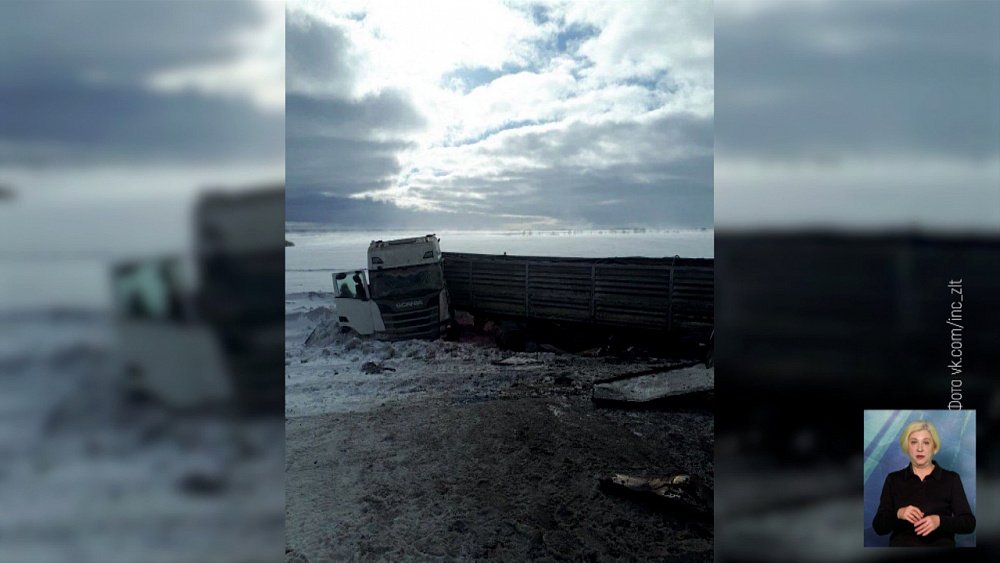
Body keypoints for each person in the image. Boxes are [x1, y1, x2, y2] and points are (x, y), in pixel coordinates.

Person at [872, 420, 976, 546]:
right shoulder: (893, 479)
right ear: (907, 446)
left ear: (934, 447)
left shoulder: (951, 479)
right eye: (914, 442)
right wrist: (899, 513)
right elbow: (879, 527)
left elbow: (969, 523)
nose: (920, 448)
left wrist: (940, 521)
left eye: (926, 442)